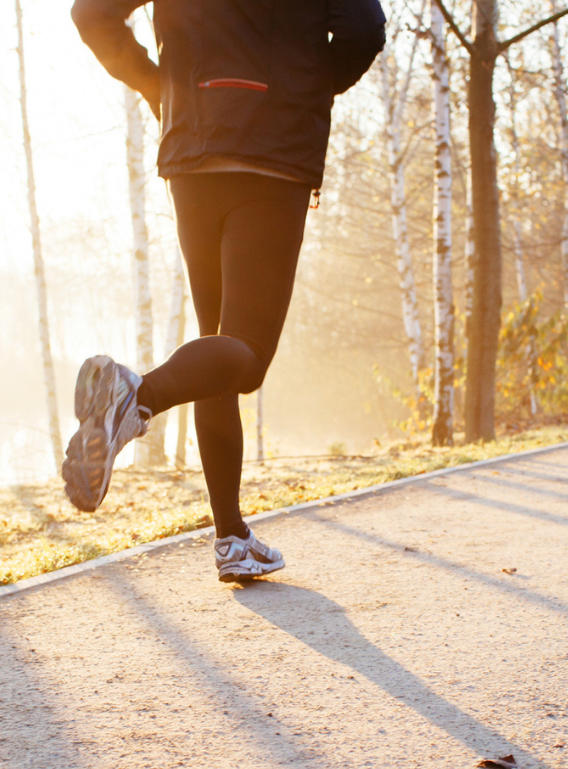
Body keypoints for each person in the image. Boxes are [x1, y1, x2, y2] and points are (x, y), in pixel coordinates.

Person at [67, 0, 385, 582]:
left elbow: (91, 13)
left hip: (192, 152)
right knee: (246, 356)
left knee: (217, 345)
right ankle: (134, 395)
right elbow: (364, 30)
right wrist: (305, 88)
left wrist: (159, 88)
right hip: (273, 153)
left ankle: (231, 537)